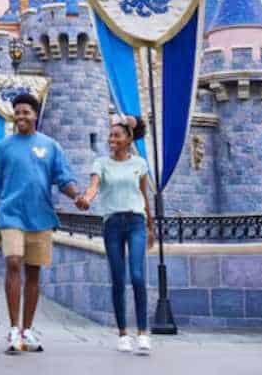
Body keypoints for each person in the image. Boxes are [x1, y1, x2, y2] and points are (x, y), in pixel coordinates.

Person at [0, 93, 85, 355]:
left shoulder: (50, 146)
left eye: (26, 112)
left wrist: (77, 196)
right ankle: (13, 328)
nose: (21, 116)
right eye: (17, 112)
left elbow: (63, 178)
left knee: (33, 272)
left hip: (40, 216)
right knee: (13, 262)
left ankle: (27, 330)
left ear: (35, 116)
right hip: (10, 214)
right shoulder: (2, 148)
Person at [78, 115, 154, 355]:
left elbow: (144, 195)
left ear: (128, 139)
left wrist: (151, 226)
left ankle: (142, 333)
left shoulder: (140, 164)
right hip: (112, 224)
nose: (111, 139)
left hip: (136, 222)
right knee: (118, 278)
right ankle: (123, 334)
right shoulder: (101, 163)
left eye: (116, 135)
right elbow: (93, 186)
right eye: (110, 135)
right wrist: (86, 200)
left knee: (138, 276)